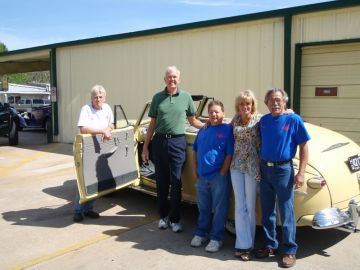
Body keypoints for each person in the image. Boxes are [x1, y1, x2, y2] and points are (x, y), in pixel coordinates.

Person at [141, 66, 204, 233]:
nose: (172, 80)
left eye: (175, 77)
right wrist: (145, 147)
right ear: (165, 80)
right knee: (162, 182)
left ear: (179, 79)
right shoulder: (157, 98)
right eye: (169, 77)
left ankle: (175, 220)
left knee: (176, 182)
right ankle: (163, 217)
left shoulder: (186, 97)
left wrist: (209, 125)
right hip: (159, 142)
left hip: (178, 142)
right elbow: (152, 125)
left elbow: (193, 121)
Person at [256, 88, 310, 268]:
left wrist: (301, 172)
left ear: (285, 102)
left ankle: (289, 251)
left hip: (284, 171)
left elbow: (303, 147)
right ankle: (271, 245)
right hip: (265, 170)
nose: (275, 103)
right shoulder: (263, 121)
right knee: (267, 211)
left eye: (278, 100)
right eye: (271, 100)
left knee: (286, 212)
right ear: (266, 103)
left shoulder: (294, 119)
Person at [190, 100, 234, 253]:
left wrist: (222, 172)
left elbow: (229, 154)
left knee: (220, 209)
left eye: (217, 112)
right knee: (203, 207)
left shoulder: (228, 129)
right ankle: (201, 233)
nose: (214, 114)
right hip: (202, 176)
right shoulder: (203, 129)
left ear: (223, 114)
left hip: (219, 176)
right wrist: (195, 168)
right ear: (207, 115)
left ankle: (216, 238)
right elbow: (195, 150)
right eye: (211, 112)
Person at [73, 84, 114, 223]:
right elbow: (83, 128)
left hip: (102, 148)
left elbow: (112, 124)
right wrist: (102, 131)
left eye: (100, 97)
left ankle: (88, 209)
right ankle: (78, 210)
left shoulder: (107, 108)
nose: (98, 99)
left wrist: (108, 129)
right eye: (95, 97)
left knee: (96, 179)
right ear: (91, 98)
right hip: (87, 148)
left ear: (104, 97)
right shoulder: (86, 109)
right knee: (84, 180)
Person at [230, 89, 262, 261]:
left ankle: (249, 245)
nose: (245, 106)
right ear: (238, 106)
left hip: (252, 166)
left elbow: (277, 118)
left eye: (248, 103)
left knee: (250, 207)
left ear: (252, 105)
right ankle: (242, 244)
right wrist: (205, 123)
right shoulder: (235, 119)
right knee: (239, 206)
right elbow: (222, 128)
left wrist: (289, 111)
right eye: (242, 103)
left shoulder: (259, 119)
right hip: (235, 165)